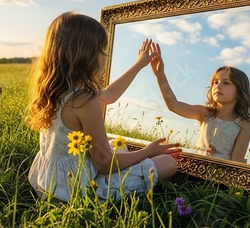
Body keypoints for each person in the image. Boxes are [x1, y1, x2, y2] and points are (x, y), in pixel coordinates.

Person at [26, 12, 181, 202]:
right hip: (77, 190)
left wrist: (139, 64)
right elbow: (105, 164)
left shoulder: (56, 92)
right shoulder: (85, 102)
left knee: (119, 147)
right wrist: (147, 151)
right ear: (85, 55)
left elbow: (108, 95)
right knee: (167, 163)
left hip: (47, 182)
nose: (104, 57)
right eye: (102, 50)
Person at [150, 42, 250, 162]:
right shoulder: (205, 113)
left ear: (240, 92)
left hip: (217, 175)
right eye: (216, 82)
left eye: (226, 83)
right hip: (193, 165)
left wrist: (219, 157)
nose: (218, 86)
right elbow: (173, 105)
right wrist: (160, 74)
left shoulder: (244, 123)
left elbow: (237, 161)